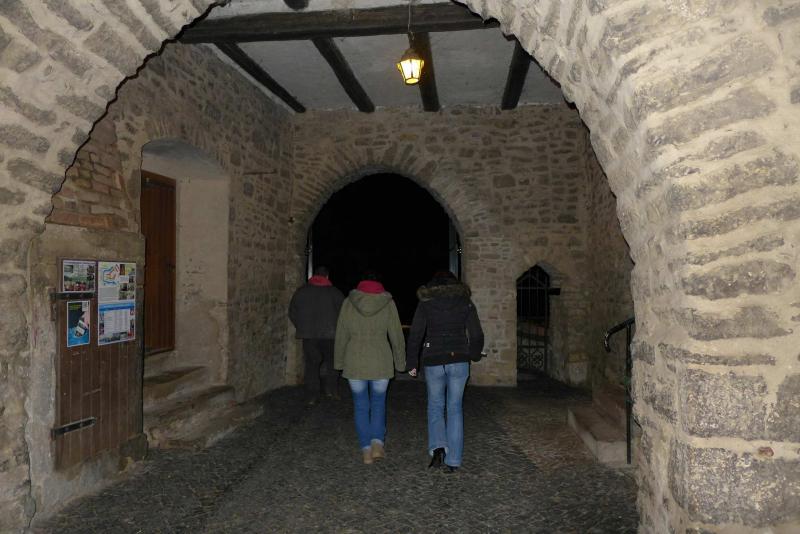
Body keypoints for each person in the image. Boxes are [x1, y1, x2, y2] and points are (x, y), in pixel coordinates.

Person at [407, 271, 484, 472]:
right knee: (455, 408)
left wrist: (412, 362)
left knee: (435, 406)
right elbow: (476, 333)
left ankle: (438, 448)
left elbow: (416, 333)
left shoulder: (426, 302)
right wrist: (474, 355)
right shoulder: (464, 301)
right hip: (459, 358)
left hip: (433, 358)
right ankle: (453, 460)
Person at [334, 272, 406, 465]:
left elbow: (341, 334)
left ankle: (366, 449)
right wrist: (400, 363)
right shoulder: (387, 303)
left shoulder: (349, 303)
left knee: (360, 405)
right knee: (378, 403)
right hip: (381, 359)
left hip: (354, 359)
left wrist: (338, 362)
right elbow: (397, 336)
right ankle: (377, 444)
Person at [289, 266, 345, 405]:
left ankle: (312, 395)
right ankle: (331, 390)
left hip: (309, 335)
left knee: (312, 364)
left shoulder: (301, 292)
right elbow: (344, 314)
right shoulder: (335, 293)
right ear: (327, 276)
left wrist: (302, 326)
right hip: (331, 335)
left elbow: (292, 312)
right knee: (332, 363)